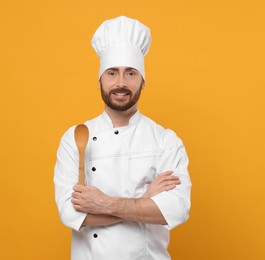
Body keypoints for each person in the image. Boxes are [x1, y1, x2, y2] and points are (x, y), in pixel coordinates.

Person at [54, 16, 191, 260]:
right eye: (111, 73)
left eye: (130, 73)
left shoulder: (165, 141)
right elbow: (71, 214)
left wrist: (104, 204)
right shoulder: (76, 137)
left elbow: (176, 210)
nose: (120, 83)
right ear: (100, 80)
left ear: (142, 81)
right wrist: (145, 200)